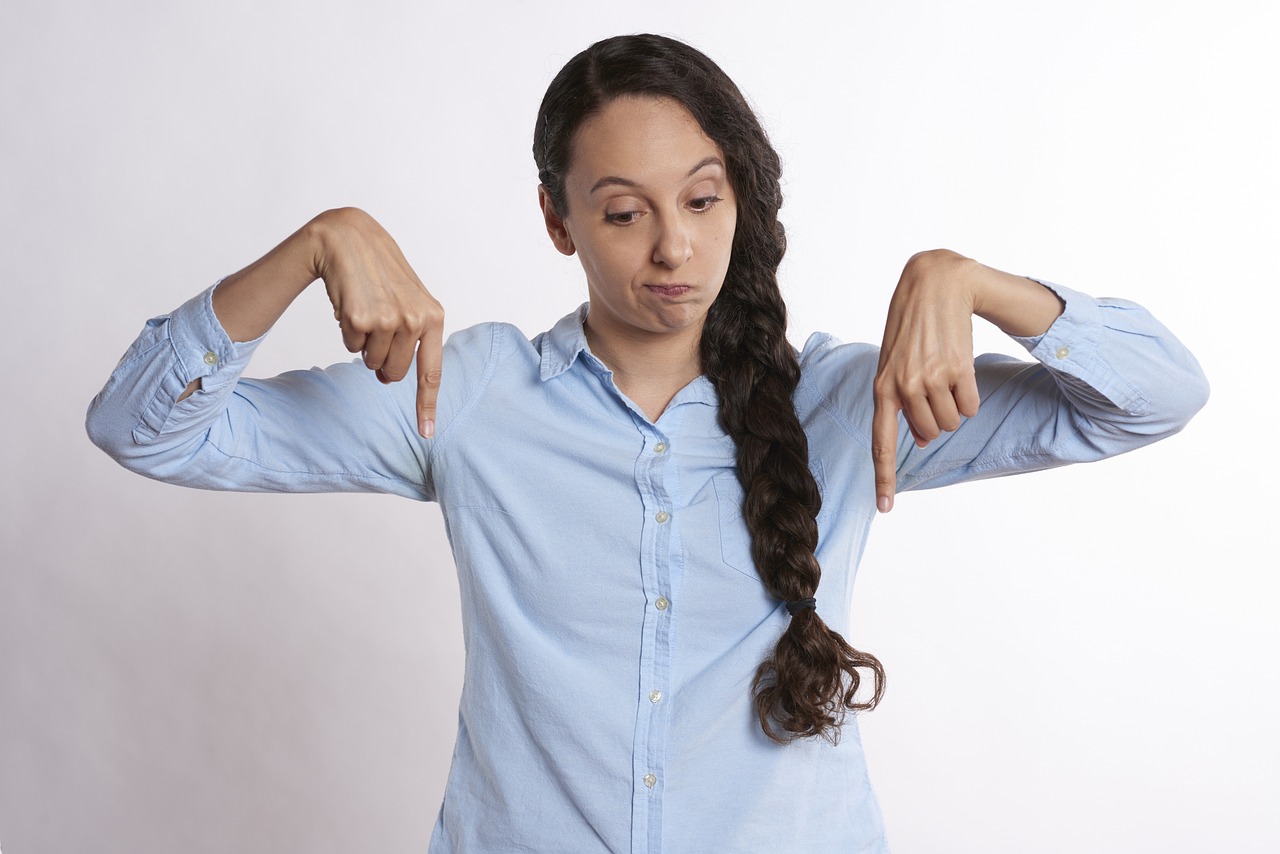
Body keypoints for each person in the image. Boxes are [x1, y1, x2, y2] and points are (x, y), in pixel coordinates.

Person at [86, 33, 1207, 854]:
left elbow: (1154, 395)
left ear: (741, 201)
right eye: (623, 212)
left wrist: (964, 280)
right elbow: (143, 427)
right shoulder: (464, 395)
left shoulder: (846, 399)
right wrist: (312, 245)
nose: (671, 246)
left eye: (702, 201)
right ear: (555, 218)